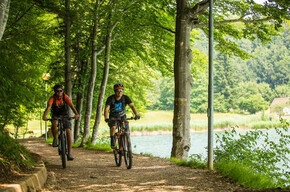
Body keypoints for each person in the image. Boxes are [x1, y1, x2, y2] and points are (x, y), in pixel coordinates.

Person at [42, 84, 79, 161]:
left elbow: (71, 105)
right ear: (55, 92)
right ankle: (55, 139)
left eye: (60, 91)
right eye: (57, 91)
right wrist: (44, 116)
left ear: (62, 91)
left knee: (68, 132)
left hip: (64, 115)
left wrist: (76, 113)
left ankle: (69, 153)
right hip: (55, 115)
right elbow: (48, 107)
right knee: (54, 123)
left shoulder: (65, 97)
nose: (59, 92)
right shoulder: (52, 98)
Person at [104, 83, 140, 148]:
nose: (120, 92)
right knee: (113, 127)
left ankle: (128, 149)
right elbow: (106, 109)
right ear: (115, 92)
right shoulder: (110, 98)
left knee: (126, 131)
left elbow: (132, 106)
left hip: (122, 116)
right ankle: (112, 139)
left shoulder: (125, 98)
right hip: (113, 116)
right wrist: (106, 118)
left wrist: (136, 114)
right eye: (118, 91)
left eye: (121, 91)